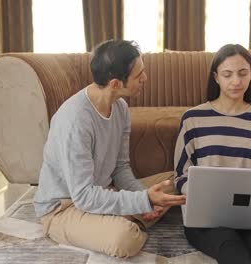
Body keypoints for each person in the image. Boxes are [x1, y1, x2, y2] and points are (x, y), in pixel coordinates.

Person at [34, 39, 186, 258]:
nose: (145, 78)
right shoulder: (76, 121)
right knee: (125, 240)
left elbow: (120, 168)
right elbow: (84, 197)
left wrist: (142, 196)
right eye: (138, 75)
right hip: (65, 207)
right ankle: (125, 220)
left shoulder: (121, 108)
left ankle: (124, 216)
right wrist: (143, 201)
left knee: (173, 182)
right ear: (116, 84)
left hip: (104, 191)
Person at [173, 44, 251, 264]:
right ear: (216, 77)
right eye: (227, 74)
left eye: (243, 73)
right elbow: (180, 176)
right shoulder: (192, 119)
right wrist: (202, 193)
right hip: (207, 218)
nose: (236, 81)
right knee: (235, 255)